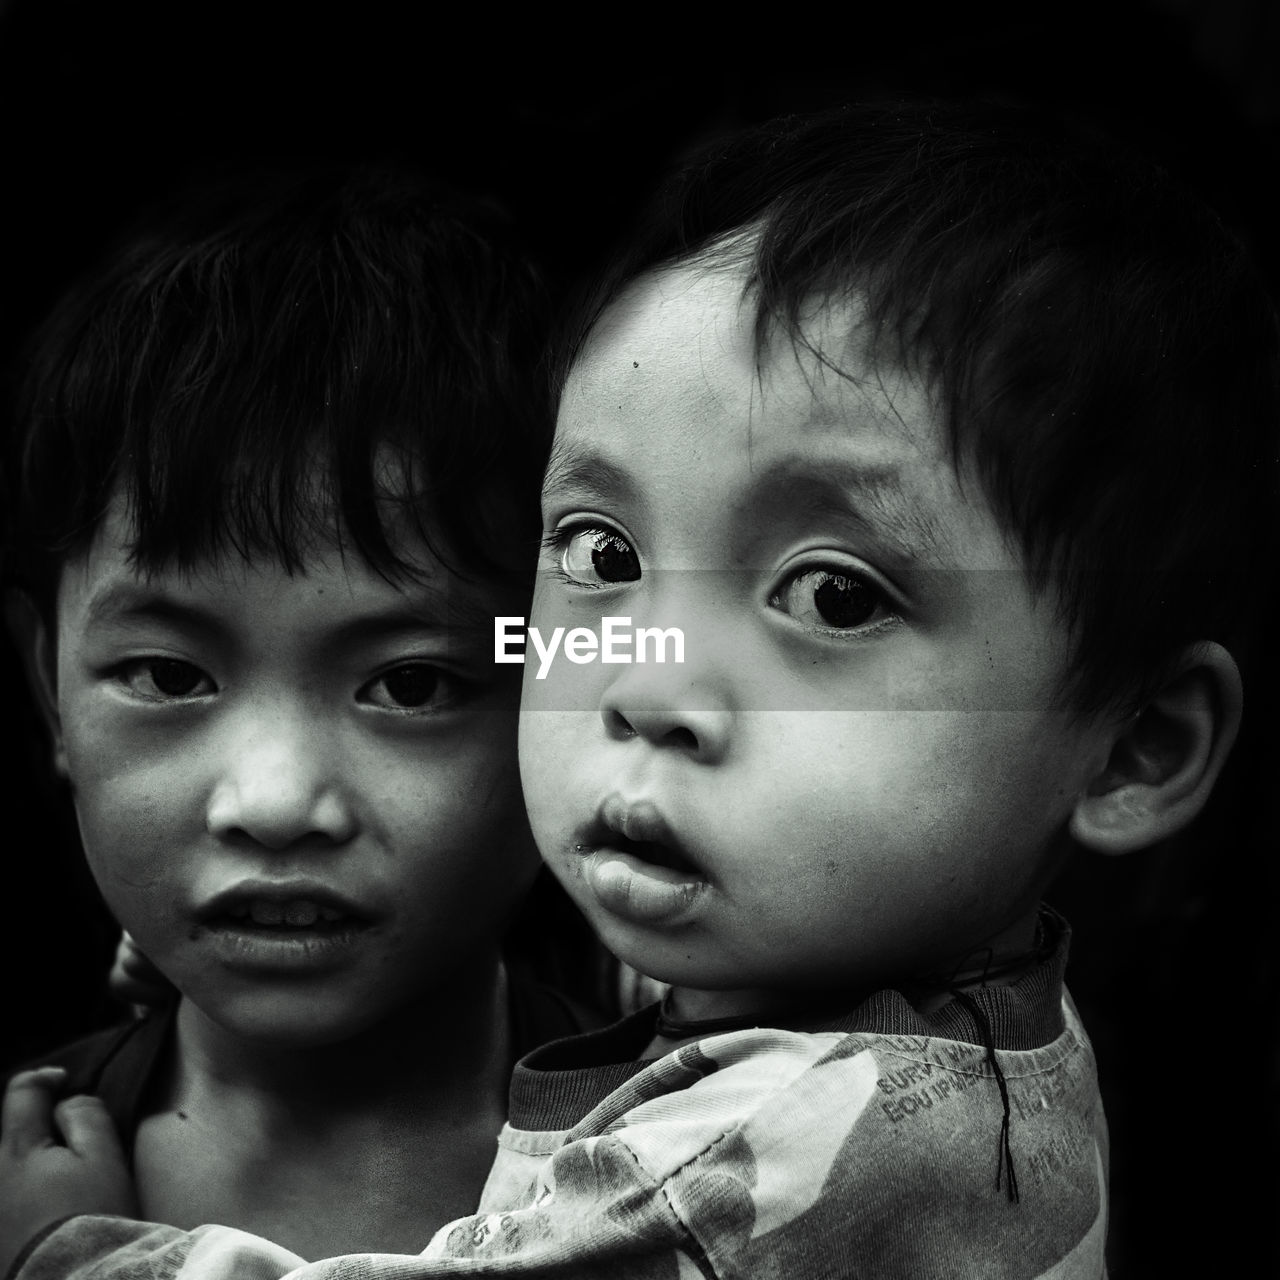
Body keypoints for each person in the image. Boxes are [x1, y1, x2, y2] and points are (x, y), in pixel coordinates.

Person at [4, 98, 1276, 1278]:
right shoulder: (886, 1008)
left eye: (833, 596)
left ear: (1132, 748)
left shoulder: (771, 1146)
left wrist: (72, 1245)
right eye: (604, 559)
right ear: (44, 683)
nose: (641, 683)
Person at [0, 163, 603, 1261]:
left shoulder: (710, 1160)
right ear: (49, 686)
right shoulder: (17, 1168)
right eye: (170, 675)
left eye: (412, 683)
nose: (275, 802)